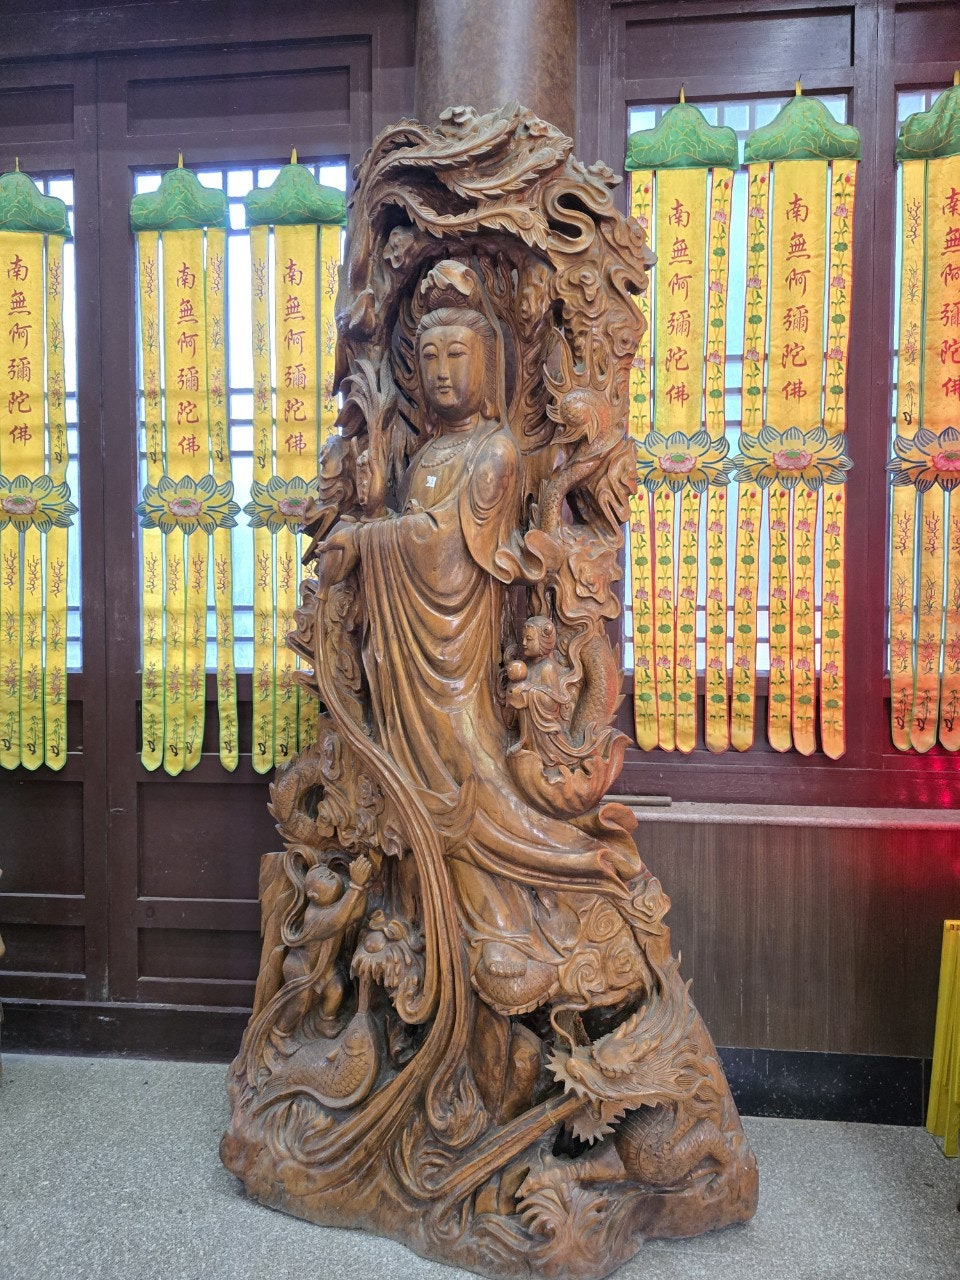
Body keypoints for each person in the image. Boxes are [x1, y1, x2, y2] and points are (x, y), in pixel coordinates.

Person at [314, 268, 648, 1020]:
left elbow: (445, 553)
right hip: (407, 653)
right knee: (424, 793)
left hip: (456, 656)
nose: (441, 373)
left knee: (467, 781)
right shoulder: (427, 454)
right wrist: (369, 516)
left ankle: (528, 907)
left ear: (488, 363)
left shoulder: (494, 451)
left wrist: (367, 541)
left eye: (457, 356)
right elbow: (412, 531)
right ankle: (451, 931)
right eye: (430, 358)